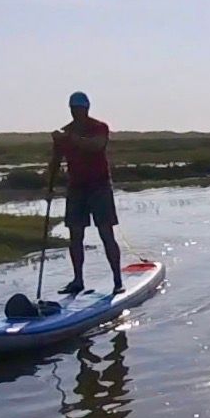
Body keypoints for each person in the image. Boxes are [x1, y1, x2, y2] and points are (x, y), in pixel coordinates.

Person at [51, 90, 123, 295]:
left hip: (99, 186)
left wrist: (70, 138)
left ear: (86, 109)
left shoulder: (99, 128)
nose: (76, 113)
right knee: (75, 235)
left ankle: (117, 280)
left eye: (80, 109)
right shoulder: (65, 133)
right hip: (76, 188)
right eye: (73, 109)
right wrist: (48, 185)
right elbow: (56, 160)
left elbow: (96, 146)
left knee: (106, 233)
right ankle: (78, 280)